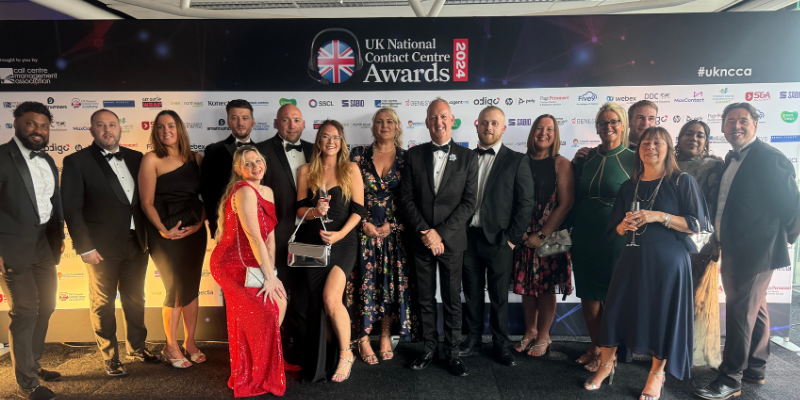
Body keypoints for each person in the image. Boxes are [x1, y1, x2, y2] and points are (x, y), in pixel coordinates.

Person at [585, 127, 712, 400]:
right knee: (616, 310)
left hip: (669, 263)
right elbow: (615, 229)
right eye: (645, 142)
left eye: (658, 142)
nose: (650, 147)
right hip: (631, 258)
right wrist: (622, 225)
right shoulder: (629, 185)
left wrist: (659, 216)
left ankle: (656, 375)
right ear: (638, 148)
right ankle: (606, 365)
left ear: (668, 148)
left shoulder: (682, 181)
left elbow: (697, 224)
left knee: (663, 317)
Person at [695, 103, 800, 400]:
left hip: (756, 249)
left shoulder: (770, 158)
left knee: (740, 311)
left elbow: (793, 207)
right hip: (734, 245)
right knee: (756, 307)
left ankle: (730, 378)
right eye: (730, 121)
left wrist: (782, 239)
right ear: (723, 127)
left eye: (743, 120)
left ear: (755, 125)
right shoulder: (732, 158)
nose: (736, 126)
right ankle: (755, 367)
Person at [61, 109, 160, 377]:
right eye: (100, 125)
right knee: (103, 303)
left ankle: (137, 347)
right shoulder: (76, 162)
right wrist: (85, 247)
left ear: (120, 128)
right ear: (92, 130)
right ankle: (110, 356)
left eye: (112, 125)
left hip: (137, 242)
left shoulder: (137, 158)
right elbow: (72, 209)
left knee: (135, 298)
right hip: (100, 249)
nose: (107, 130)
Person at [399, 98, 478, 377]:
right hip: (421, 241)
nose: (439, 122)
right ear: (427, 122)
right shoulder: (412, 155)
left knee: (452, 299)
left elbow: (469, 203)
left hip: (451, 240)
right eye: (433, 118)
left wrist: (439, 233)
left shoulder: (469, 157)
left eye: (443, 117)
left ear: (452, 119)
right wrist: (426, 233)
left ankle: (453, 353)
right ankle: (428, 349)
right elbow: (406, 199)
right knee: (424, 298)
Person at [210, 145, 295, 397]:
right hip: (231, 264)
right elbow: (254, 237)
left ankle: (264, 361)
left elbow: (269, 237)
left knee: (279, 302)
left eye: (258, 161)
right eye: (248, 163)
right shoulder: (244, 191)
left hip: (254, 261)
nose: (255, 166)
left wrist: (273, 273)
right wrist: (269, 277)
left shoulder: (267, 191)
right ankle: (254, 370)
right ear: (238, 169)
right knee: (266, 310)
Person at [459, 106, 533, 367]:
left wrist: (512, 239)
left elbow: (525, 204)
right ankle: (472, 339)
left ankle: (500, 344)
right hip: (467, 238)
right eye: (484, 123)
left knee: (500, 296)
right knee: (472, 293)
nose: (488, 127)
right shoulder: (465, 157)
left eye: (494, 123)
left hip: (500, 240)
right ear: (477, 125)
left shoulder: (517, 160)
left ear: (503, 128)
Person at [0, 102, 64, 400]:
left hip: (43, 244)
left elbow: (52, 202)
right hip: (12, 247)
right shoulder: (1, 157)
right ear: (16, 124)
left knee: (47, 306)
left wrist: (58, 235)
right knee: (25, 311)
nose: (38, 130)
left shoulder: (48, 160)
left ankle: (33, 363)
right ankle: (27, 383)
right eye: (31, 124)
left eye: (44, 125)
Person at [294, 120, 365, 383]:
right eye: (325, 136)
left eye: (336, 136)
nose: (331, 141)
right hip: (312, 244)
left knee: (331, 299)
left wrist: (340, 235)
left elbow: (359, 210)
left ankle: (346, 354)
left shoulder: (351, 169)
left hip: (343, 244)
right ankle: (321, 360)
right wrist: (315, 212)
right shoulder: (305, 171)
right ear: (318, 140)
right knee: (317, 304)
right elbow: (300, 208)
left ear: (342, 141)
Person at [139, 110, 208, 369]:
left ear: (179, 128)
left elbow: (204, 199)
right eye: (160, 127)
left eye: (171, 126)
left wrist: (200, 223)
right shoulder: (151, 159)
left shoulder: (196, 159)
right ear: (155, 132)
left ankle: (190, 343)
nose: (166, 131)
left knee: (190, 287)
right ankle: (170, 345)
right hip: (163, 235)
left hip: (194, 232)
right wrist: (162, 230)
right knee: (174, 289)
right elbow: (147, 203)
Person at [570, 102, 636, 371]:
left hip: (615, 237)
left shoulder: (634, 158)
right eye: (602, 123)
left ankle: (609, 355)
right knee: (588, 294)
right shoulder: (586, 157)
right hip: (584, 233)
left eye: (613, 122)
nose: (608, 127)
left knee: (611, 297)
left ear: (623, 125)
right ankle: (595, 347)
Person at [350, 108, 414, 365]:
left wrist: (395, 225)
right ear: (373, 127)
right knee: (363, 285)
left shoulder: (407, 158)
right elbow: (347, 193)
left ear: (397, 127)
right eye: (379, 121)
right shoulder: (358, 154)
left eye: (389, 121)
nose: (384, 125)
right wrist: (363, 223)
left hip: (394, 233)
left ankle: (385, 334)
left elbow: (411, 199)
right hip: (362, 231)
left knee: (390, 284)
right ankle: (363, 337)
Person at [512, 114, 574, 358]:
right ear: (532, 132)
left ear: (555, 134)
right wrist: (524, 232)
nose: (543, 132)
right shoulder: (520, 161)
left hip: (551, 233)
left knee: (547, 288)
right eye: (539, 128)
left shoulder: (561, 163)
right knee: (527, 287)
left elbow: (566, 204)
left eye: (549, 129)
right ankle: (529, 331)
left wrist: (541, 234)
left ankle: (544, 335)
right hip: (523, 233)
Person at [257, 104, 314, 361]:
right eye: (286, 120)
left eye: (296, 120)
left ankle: (302, 347)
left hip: (310, 236)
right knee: (278, 292)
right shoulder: (262, 151)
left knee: (304, 292)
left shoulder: (317, 150)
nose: (292, 125)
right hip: (276, 237)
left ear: (303, 124)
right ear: (276, 123)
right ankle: (277, 349)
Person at [674, 120, 724, 368]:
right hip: (670, 240)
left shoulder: (715, 167)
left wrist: (716, 242)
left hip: (701, 243)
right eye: (688, 134)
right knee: (671, 296)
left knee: (696, 297)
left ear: (706, 142)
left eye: (700, 135)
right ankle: (666, 348)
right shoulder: (665, 163)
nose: (694, 138)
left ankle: (688, 351)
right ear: (679, 138)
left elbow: (718, 206)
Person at [201, 99, 256, 238]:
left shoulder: (265, 151)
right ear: (228, 122)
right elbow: (208, 193)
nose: (240, 123)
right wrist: (216, 227)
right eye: (234, 118)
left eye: (245, 118)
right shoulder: (213, 150)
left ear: (252, 122)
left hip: (257, 227)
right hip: (225, 227)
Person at [572, 100, 657, 162]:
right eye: (640, 118)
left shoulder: (662, 153)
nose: (645, 123)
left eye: (651, 118)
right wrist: (575, 163)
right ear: (628, 122)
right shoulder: (604, 150)